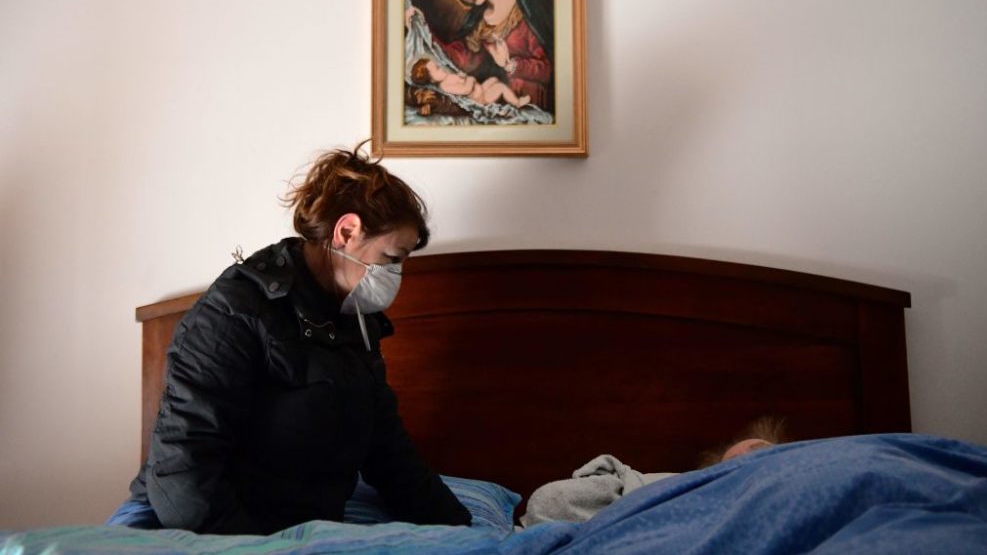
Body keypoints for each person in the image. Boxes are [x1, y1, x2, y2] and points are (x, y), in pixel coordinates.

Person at [111, 144, 471, 534]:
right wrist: (254, 548)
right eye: (392, 259)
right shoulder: (233, 312)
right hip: (201, 519)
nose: (395, 275)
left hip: (295, 522)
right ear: (346, 232)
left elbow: (386, 447)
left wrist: (462, 528)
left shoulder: (356, 319)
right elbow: (183, 467)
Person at [520, 416, 789, 527]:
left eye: (759, 455)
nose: (745, 459)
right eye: (731, 467)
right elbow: (553, 501)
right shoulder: (673, 487)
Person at [405, 0, 554, 111]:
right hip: (502, 100)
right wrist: (421, 25)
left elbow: (548, 70)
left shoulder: (528, 5)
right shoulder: (477, 23)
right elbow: (462, 60)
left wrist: (511, 65)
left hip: (535, 99)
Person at [410, 57, 531, 108]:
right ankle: (517, 102)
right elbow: (466, 90)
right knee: (500, 87)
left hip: (480, 89)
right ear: (431, 79)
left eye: (438, 66)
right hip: (480, 98)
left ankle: (507, 99)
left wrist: (461, 77)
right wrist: (470, 79)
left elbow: (460, 81)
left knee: (493, 79)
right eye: (437, 69)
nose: (440, 68)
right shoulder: (445, 86)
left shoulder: (447, 78)